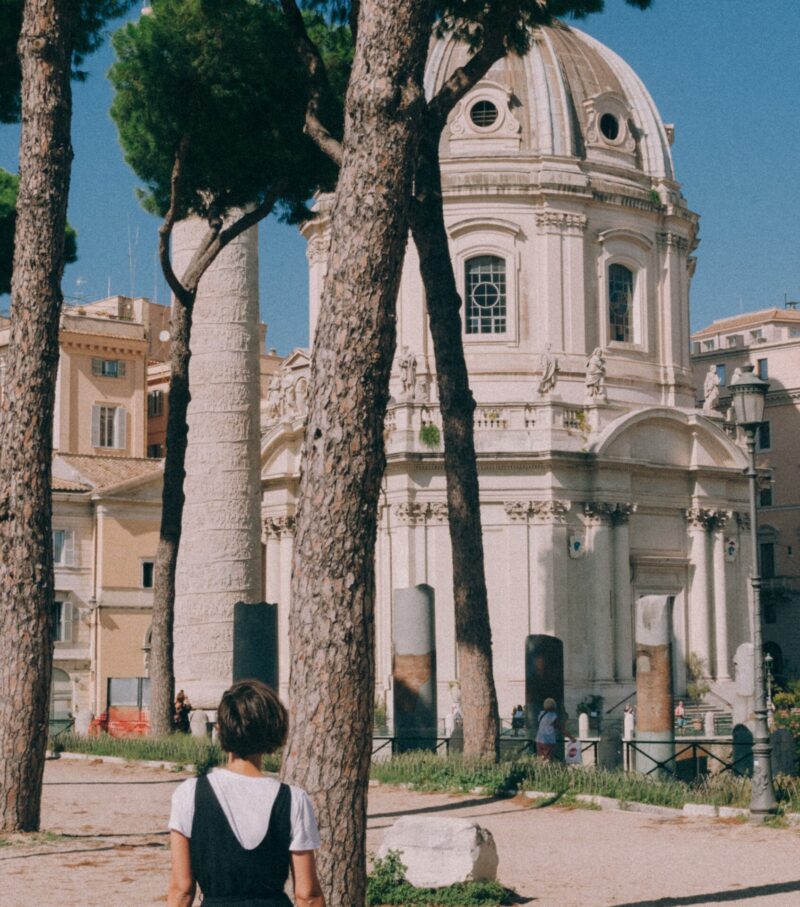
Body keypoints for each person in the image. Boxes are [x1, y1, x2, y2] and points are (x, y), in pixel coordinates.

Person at [167, 680, 324, 907]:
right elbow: (307, 894)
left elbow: (181, 890)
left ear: (220, 730)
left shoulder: (189, 794)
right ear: (274, 730)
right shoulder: (294, 800)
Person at [535, 697, 574, 762]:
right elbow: (561, 728)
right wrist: (571, 737)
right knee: (549, 761)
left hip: (539, 740)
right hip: (548, 741)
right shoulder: (552, 716)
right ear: (554, 706)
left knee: (541, 760)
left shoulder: (541, 714)